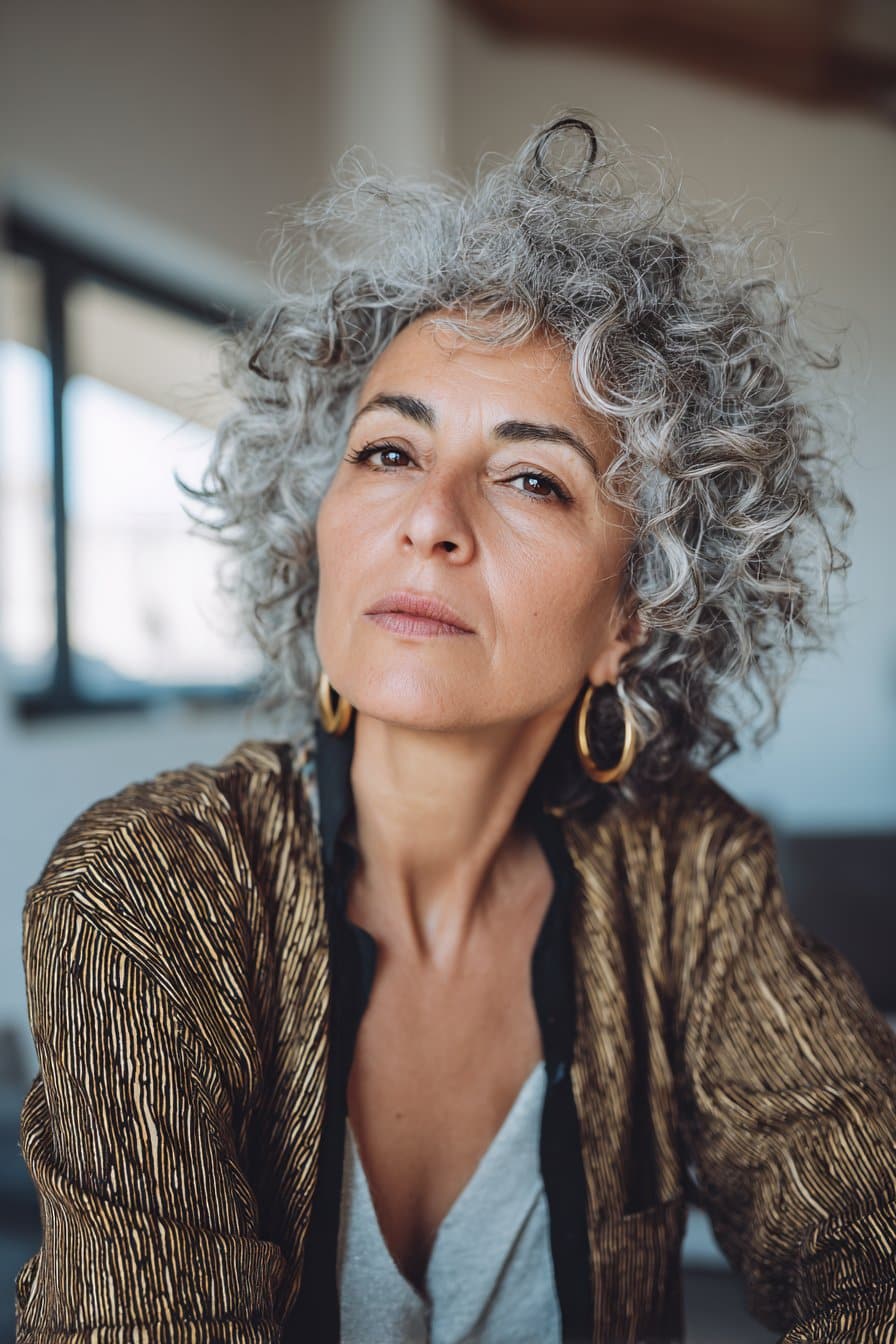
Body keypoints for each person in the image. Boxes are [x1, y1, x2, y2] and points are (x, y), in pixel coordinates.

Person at [15, 114, 896, 1344]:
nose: (429, 518)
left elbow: (865, 1232)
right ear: (316, 529)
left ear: (631, 618)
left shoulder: (690, 880)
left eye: (531, 478)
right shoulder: (148, 895)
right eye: (387, 450)